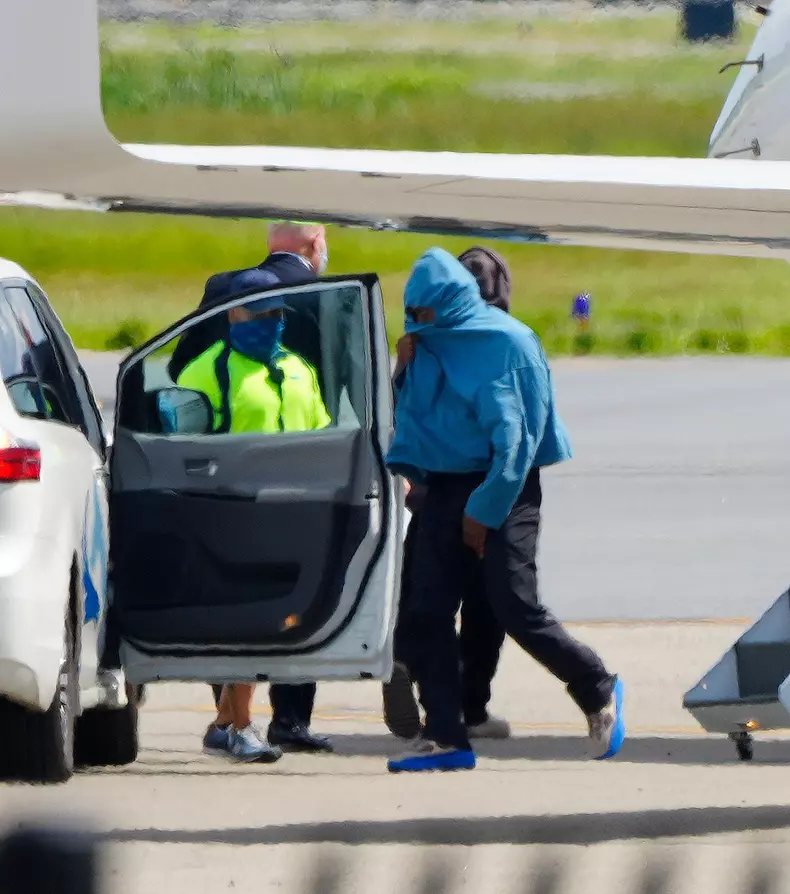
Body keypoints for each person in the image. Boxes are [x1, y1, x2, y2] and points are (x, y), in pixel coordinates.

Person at [384, 247, 626, 773]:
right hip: (445, 484)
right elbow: (409, 417)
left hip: (505, 486)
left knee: (513, 606)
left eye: (425, 312)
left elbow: (515, 443)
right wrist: (402, 369)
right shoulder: (425, 344)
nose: (417, 322)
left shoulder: (503, 343)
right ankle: (446, 736)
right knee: (425, 612)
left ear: (450, 303)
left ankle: (596, 687)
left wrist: (484, 513)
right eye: (412, 312)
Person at [173, 221, 334, 759]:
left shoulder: (298, 371)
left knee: (267, 627)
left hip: (290, 516)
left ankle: (225, 722)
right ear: (234, 315)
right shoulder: (207, 371)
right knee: (249, 624)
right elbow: (180, 443)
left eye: (278, 314)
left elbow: (323, 436)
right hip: (229, 516)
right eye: (260, 313)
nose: (271, 323)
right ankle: (243, 726)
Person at [382, 247, 512, 742]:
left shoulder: (422, 342)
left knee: (425, 603)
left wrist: (401, 366)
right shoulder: (501, 342)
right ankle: (468, 706)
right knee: (487, 608)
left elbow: (400, 412)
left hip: (432, 493)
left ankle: (411, 671)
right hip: (489, 495)